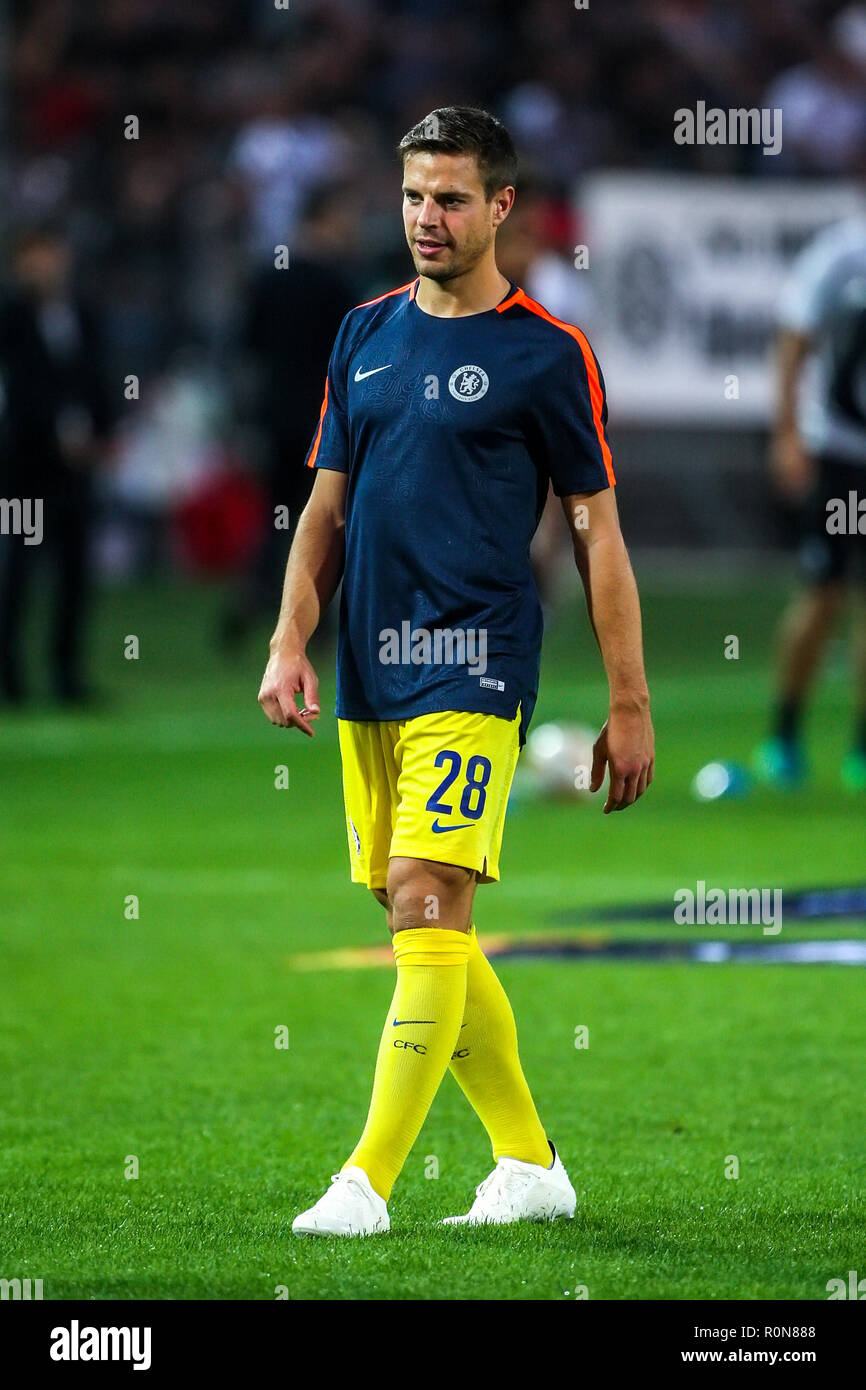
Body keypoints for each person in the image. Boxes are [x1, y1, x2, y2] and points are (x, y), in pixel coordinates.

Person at [257, 107, 654, 1236]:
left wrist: (627, 703)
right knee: (420, 920)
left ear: (499, 209)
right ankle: (527, 1162)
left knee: (429, 896)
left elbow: (599, 540)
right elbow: (322, 512)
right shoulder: (362, 333)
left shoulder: (546, 352)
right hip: (372, 673)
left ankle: (363, 1181)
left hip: (477, 665)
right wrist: (291, 638)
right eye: (412, 197)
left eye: (448, 199)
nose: (426, 219)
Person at [754, 208, 866, 790]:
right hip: (841, 454)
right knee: (823, 594)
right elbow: (795, 341)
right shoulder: (841, 253)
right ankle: (784, 734)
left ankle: (861, 748)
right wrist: (788, 433)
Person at [0, 225, 113, 705]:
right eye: (38, 255)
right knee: (17, 576)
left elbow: (99, 379)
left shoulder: (84, 316)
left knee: (75, 575)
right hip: (23, 473)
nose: (48, 264)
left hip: (74, 475)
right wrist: (56, 433)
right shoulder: (10, 317)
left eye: (53, 253)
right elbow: (19, 390)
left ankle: (67, 675)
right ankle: (10, 678)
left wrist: (101, 435)